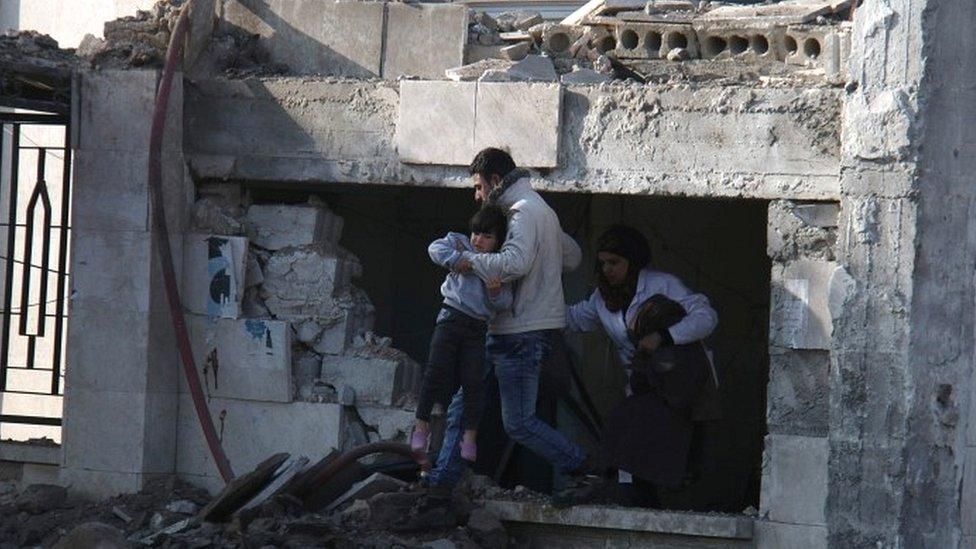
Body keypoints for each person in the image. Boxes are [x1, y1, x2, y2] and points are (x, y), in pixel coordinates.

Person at [399, 148, 586, 530]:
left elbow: (514, 264)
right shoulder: (538, 210)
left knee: (517, 423)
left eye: (479, 186)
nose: (477, 195)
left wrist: (466, 262)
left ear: (495, 181)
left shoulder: (525, 212)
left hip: (520, 332)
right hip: (504, 331)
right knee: (460, 408)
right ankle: (439, 491)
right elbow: (572, 256)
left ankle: (583, 467)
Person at [564, 224, 720, 506]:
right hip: (640, 384)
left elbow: (706, 317)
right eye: (603, 263)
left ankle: (642, 498)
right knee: (628, 438)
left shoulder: (663, 285)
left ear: (633, 262)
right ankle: (637, 500)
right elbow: (575, 319)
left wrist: (664, 336)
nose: (608, 269)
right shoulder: (602, 298)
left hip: (675, 384)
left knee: (641, 439)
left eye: (615, 263)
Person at [412, 205, 513, 464]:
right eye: (476, 233)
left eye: (487, 236)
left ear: (499, 241)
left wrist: (494, 292)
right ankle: (421, 426)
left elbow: (504, 303)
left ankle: (469, 437)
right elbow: (434, 249)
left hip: (477, 326)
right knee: (435, 370)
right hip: (451, 316)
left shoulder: (498, 265)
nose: (478, 240)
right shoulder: (460, 244)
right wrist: (458, 261)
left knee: (473, 382)